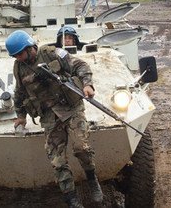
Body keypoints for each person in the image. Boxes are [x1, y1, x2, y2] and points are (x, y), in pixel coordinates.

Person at [6, 30, 102, 207]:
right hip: (49, 116)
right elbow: (19, 93)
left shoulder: (52, 53)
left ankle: (92, 179)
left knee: (81, 148)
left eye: (20, 53)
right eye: (15, 55)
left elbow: (80, 65)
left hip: (71, 108)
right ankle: (71, 199)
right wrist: (21, 116)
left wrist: (87, 84)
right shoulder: (19, 67)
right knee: (57, 160)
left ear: (29, 47)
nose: (18, 57)